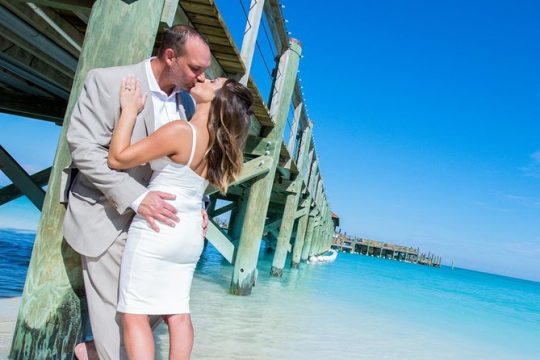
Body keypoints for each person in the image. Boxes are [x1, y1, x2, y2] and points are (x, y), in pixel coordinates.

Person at [62, 25, 211, 360]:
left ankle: (89, 353)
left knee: (160, 309)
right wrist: (138, 198)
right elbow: (84, 149)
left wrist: (198, 205)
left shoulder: (189, 105)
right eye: (195, 69)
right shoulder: (109, 81)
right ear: (170, 56)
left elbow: (187, 166)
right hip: (108, 217)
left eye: (205, 71)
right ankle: (97, 351)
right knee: (123, 324)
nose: (202, 78)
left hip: (159, 232)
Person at [108, 75, 252, 359]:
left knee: (134, 313)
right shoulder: (219, 147)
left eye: (213, 81)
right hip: (189, 233)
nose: (204, 78)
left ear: (217, 99)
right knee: (178, 312)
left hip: (159, 226)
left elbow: (117, 158)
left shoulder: (181, 131)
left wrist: (128, 110)